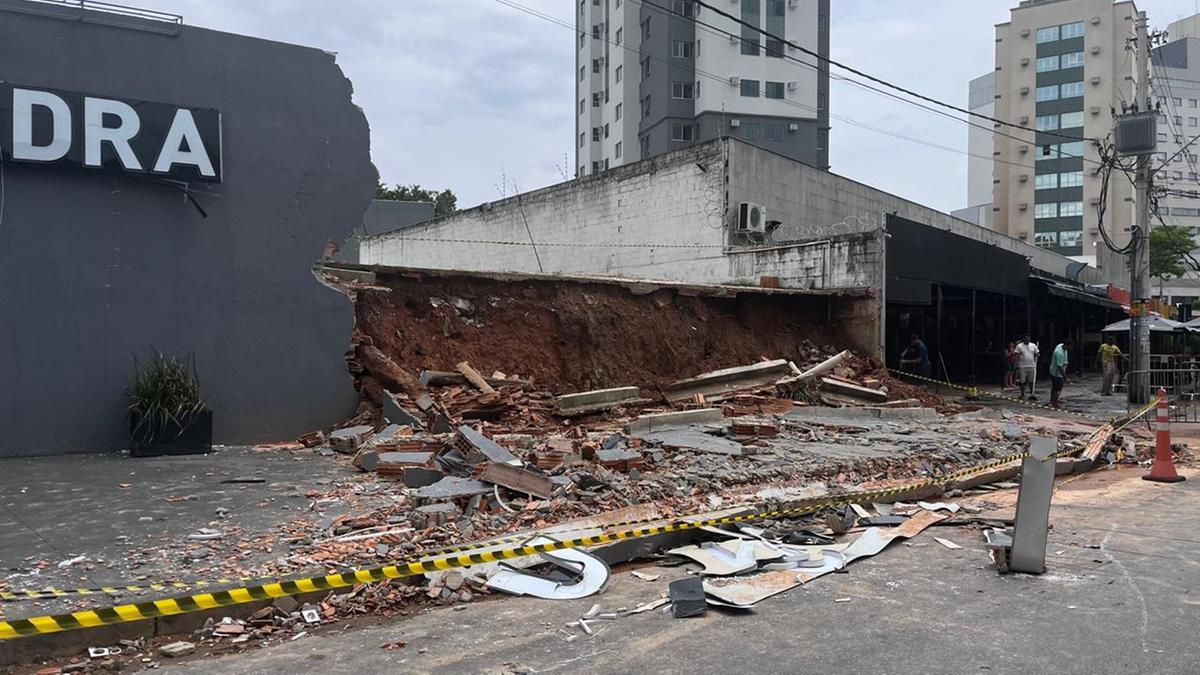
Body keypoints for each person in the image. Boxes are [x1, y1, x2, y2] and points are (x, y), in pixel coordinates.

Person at [1049, 339, 1073, 408]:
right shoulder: (1059, 353)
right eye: (1070, 347)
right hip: (1057, 372)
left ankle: (1052, 400)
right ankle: (1054, 403)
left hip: (1056, 370)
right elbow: (1060, 367)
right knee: (1057, 388)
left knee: (1054, 387)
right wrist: (1065, 377)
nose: (1071, 349)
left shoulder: (1060, 345)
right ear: (1067, 345)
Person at [1015, 334, 1039, 400]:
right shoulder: (1019, 346)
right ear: (1023, 339)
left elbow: (1037, 352)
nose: (1028, 340)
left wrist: (1037, 354)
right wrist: (1017, 365)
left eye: (1029, 338)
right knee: (1022, 381)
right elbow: (1016, 355)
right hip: (1022, 366)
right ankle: (1022, 394)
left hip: (1032, 365)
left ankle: (1032, 393)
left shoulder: (1033, 345)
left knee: (1031, 380)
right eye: (1026, 338)